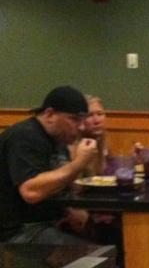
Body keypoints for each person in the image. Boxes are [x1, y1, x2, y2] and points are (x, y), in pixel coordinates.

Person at [0, 86, 98, 243]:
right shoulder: (24, 137)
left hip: (47, 223)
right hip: (17, 231)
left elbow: (59, 184)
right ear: (49, 114)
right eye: (74, 119)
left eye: (82, 120)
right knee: (95, 255)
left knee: (107, 236)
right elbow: (31, 192)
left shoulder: (58, 138)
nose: (81, 126)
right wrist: (79, 163)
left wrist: (68, 210)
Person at [70, 94, 108, 175]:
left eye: (100, 114)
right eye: (89, 115)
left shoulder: (100, 140)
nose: (97, 121)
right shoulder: (70, 144)